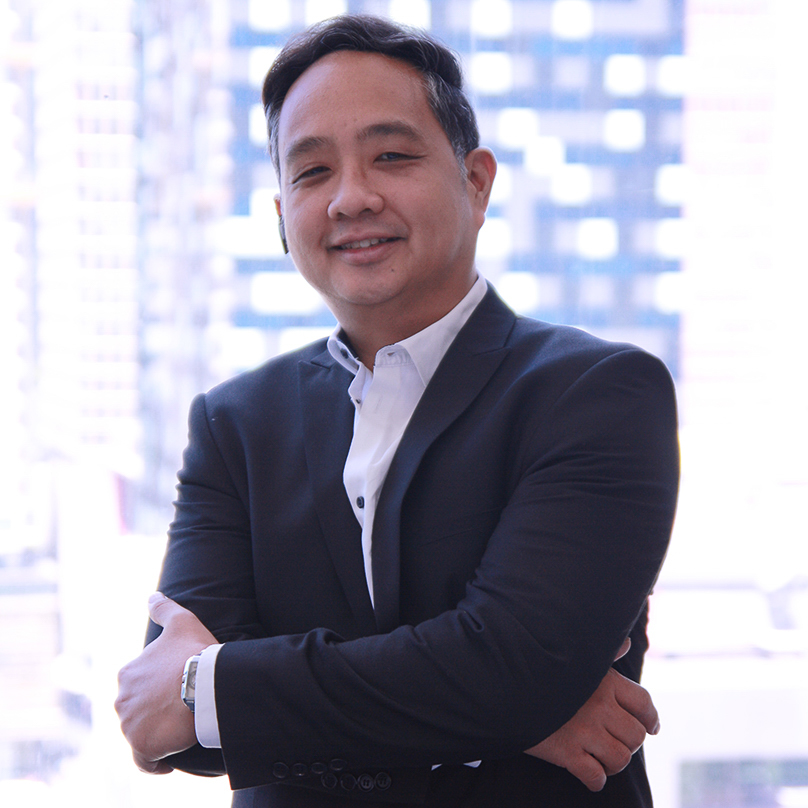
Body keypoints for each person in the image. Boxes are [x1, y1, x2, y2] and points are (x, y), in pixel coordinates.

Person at [115, 14, 679, 808]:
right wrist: (496, 712)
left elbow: (511, 670)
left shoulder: (597, 394)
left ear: (476, 182)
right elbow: (171, 732)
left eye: (391, 156)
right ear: (282, 219)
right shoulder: (234, 426)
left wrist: (213, 690)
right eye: (313, 172)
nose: (352, 197)